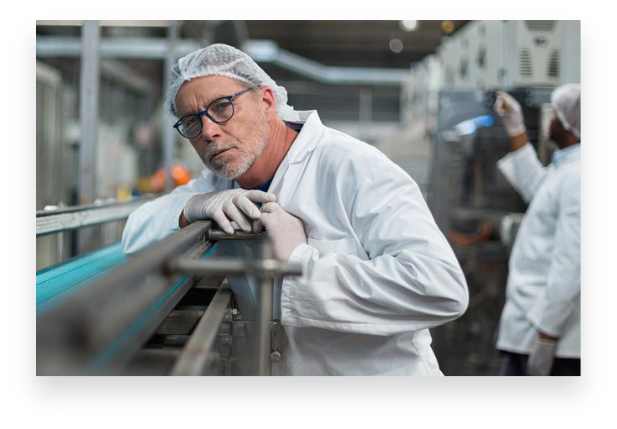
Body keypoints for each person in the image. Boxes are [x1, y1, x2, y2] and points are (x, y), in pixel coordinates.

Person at [122, 44, 468, 376]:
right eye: (192, 122)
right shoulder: (220, 185)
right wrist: (193, 207)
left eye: (222, 106)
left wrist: (302, 263)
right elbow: (135, 235)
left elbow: (441, 287)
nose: (209, 131)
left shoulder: (352, 166)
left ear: (267, 101)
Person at [494, 85, 581, 377]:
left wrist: (547, 337)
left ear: (570, 123)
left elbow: (572, 263)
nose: (550, 118)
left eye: (556, 113)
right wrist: (515, 127)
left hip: (555, 342)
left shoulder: (577, 176)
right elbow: (537, 189)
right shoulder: (567, 170)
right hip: (536, 330)